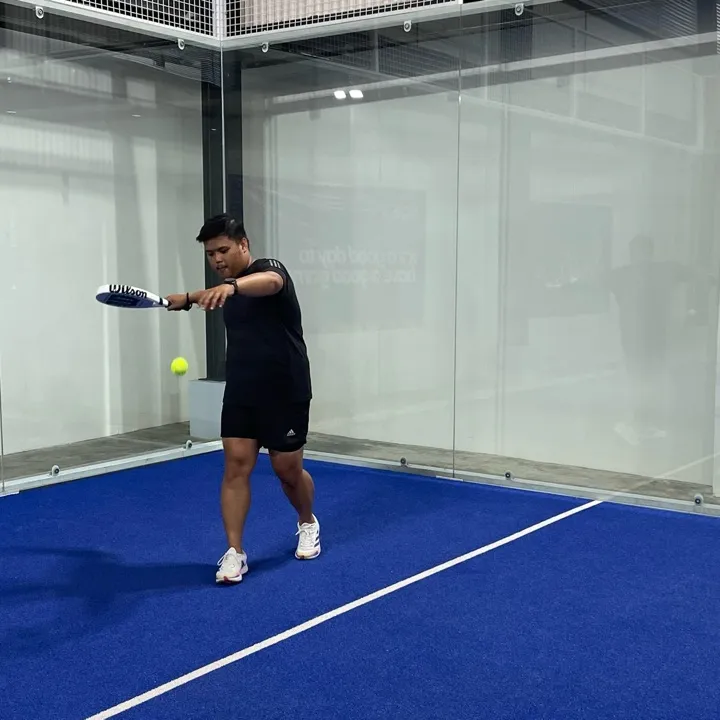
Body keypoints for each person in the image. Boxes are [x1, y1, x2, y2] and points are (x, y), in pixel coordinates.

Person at [165, 214, 320, 584]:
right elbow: (211, 294)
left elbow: (270, 282)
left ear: (243, 245)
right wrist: (186, 299)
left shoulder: (269, 271)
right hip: (242, 390)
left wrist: (231, 287)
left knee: (287, 471)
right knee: (235, 467)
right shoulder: (226, 290)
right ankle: (235, 552)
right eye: (210, 254)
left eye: (223, 250)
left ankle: (307, 522)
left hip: (285, 390)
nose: (217, 259)